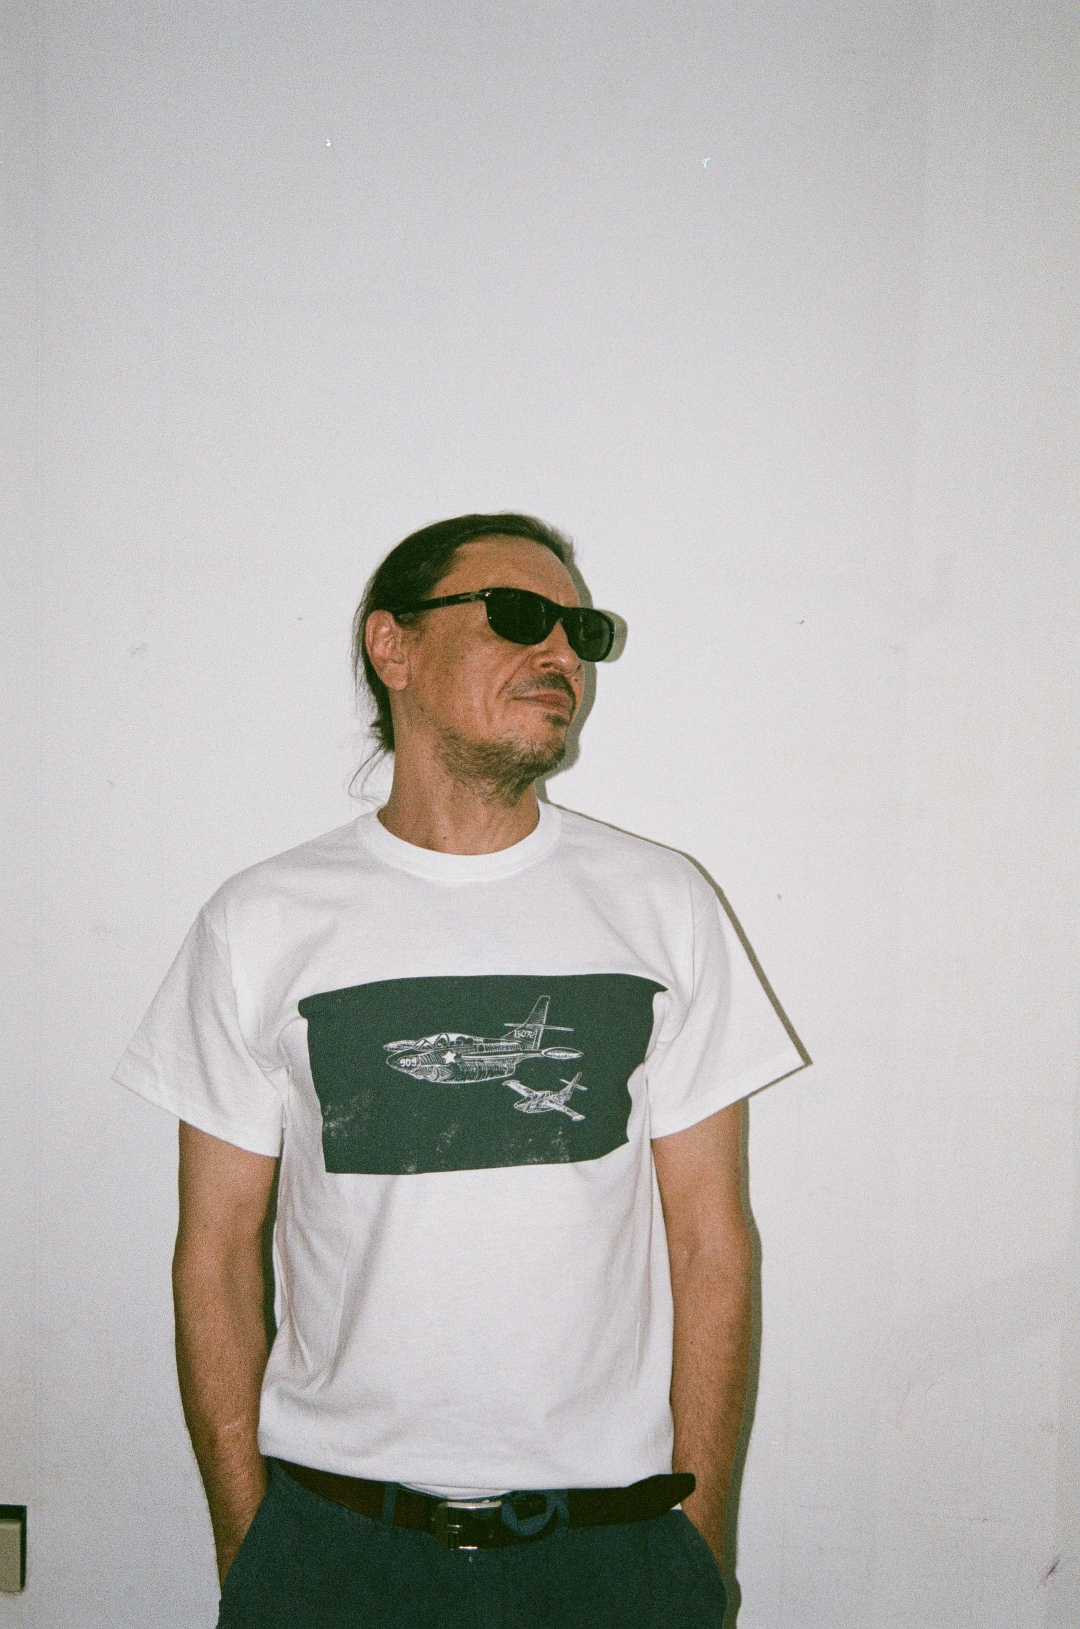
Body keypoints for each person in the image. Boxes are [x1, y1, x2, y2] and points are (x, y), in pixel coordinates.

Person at [114, 512, 809, 1628]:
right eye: (521, 616)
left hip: (613, 1553)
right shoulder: (262, 921)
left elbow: (711, 1242)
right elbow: (215, 1257)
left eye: (582, 629)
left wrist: (699, 1546)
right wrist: (252, 1547)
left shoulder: (661, 903)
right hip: (335, 1550)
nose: (563, 652)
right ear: (392, 646)